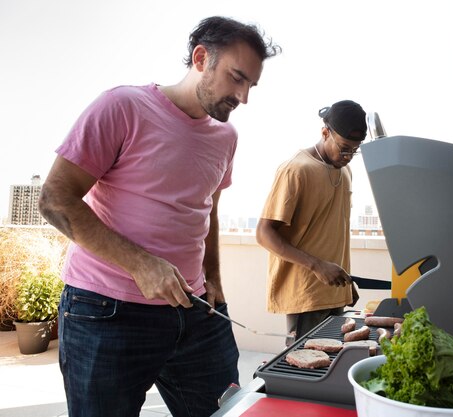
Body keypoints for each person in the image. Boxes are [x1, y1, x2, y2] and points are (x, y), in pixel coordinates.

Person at [38, 16, 280, 417]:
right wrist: (141, 264)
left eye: (250, 85)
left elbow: (209, 209)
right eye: (236, 78)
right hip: (106, 311)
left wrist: (214, 277)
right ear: (201, 58)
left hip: (196, 309)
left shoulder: (226, 137)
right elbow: (55, 199)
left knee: (231, 412)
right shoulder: (122, 106)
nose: (243, 96)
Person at [256, 100, 367, 345]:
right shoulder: (296, 170)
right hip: (305, 294)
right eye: (344, 147)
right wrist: (317, 266)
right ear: (325, 132)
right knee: (304, 367)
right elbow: (264, 233)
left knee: (331, 368)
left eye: (355, 150)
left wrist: (345, 285)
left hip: (334, 291)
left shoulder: (344, 171)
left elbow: (330, 234)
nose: (348, 156)